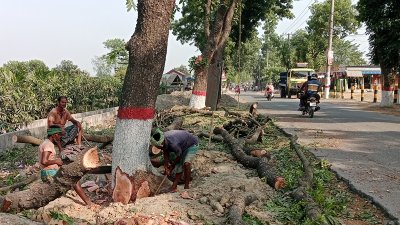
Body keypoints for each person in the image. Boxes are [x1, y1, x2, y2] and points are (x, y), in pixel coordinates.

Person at [39, 126, 93, 206]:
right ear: (54, 135)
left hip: (47, 172)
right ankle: (89, 203)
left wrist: (58, 143)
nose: (60, 137)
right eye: (59, 135)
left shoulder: (47, 143)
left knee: (70, 175)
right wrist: (56, 161)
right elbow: (44, 161)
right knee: (74, 180)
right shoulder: (48, 145)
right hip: (49, 173)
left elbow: (59, 153)